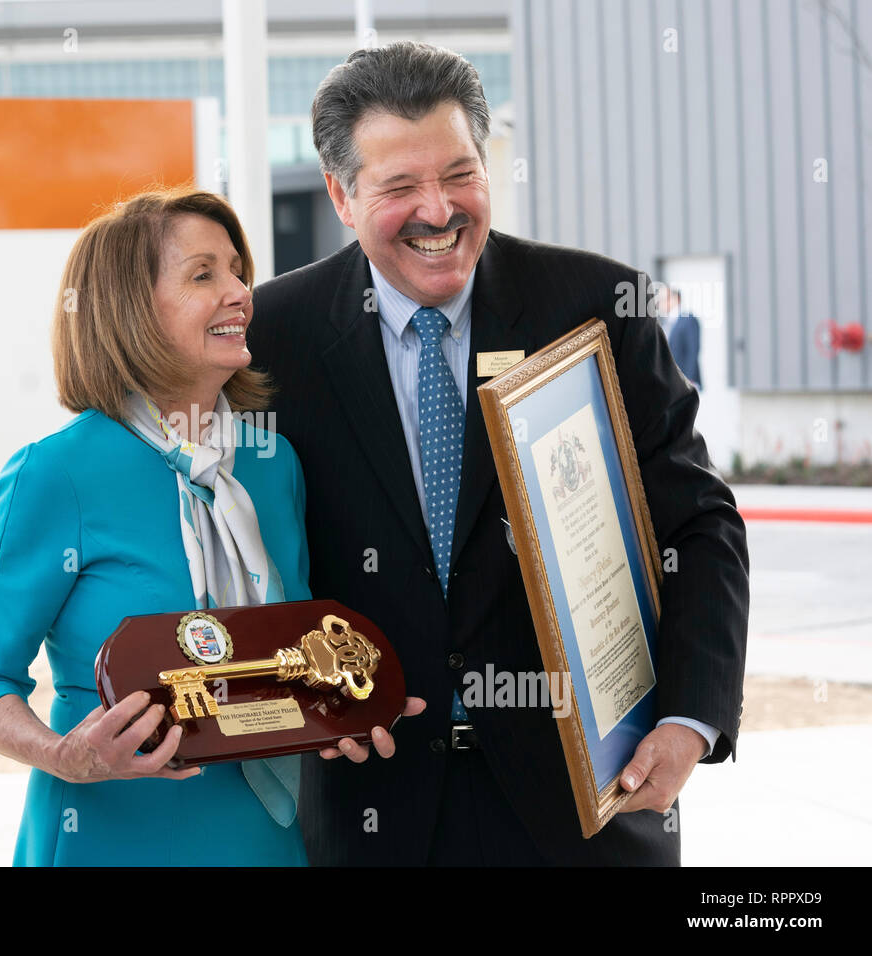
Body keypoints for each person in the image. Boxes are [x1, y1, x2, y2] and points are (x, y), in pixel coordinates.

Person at [248, 42, 749, 866]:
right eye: (400, 186)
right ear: (340, 193)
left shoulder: (597, 309)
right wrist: (295, 699)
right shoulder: (275, 337)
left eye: (460, 174)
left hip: (589, 807)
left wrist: (690, 720)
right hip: (374, 812)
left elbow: (700, 526)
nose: (439, 211)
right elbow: (240, 556)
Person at [0, 187, 418, 866]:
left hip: (261, 836)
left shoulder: (271, 463)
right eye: (204, 274)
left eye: (238, 271)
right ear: (129, 310)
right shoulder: (57, 474)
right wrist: (66, 757)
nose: (239, 292)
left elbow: (285, 651)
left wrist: (338, 712)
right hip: (112, 834)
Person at [663, 289, 703, 389]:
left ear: (675, 299)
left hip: (686, 381)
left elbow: (693, 351)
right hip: (669, 381)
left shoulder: (688, 319)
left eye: (664, 299)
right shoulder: (665, 323)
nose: (660, 303)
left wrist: (689, 380)